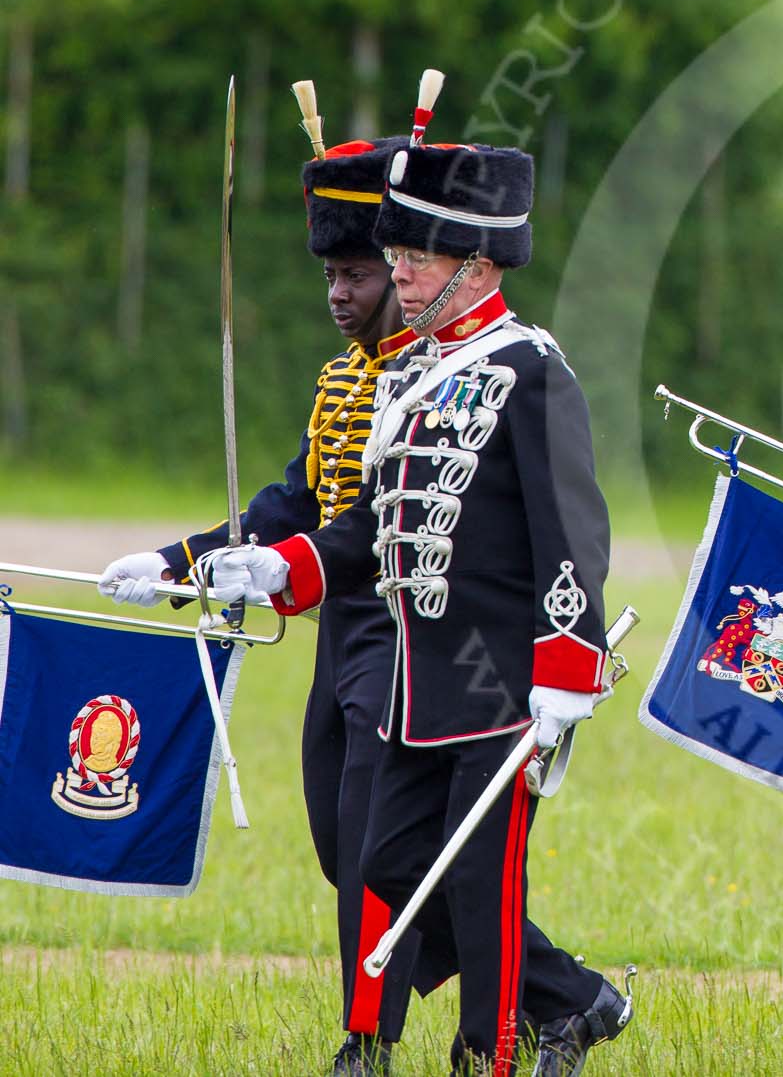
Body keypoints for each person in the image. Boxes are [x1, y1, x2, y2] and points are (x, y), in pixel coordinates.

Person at [208, 123, 630, 1076]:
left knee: (484, 884)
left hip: (496, 685)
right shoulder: (404, 377)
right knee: (381, 865)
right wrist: (286, 568)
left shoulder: (530, 369)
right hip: (408, 678)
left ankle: (492, 1052)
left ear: (475, 263)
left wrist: (568, 664)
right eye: (392, 255)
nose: (396, 275)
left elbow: (575, 532)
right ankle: (423, 1033)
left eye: (413, 256)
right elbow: (366, 529)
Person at [99, 130, 432, 1076]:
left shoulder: (430, 379)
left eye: (360, 273)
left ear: (404, 275)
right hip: (340, 632)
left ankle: (367, 1040)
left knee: (376, 843)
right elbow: (295, 502)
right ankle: (557, 990)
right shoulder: (338, 380)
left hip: (406, 630)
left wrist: (287, 563)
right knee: (343, 843)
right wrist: (179, 558)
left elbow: (370, 518)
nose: (340, 295)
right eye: (330, 275)